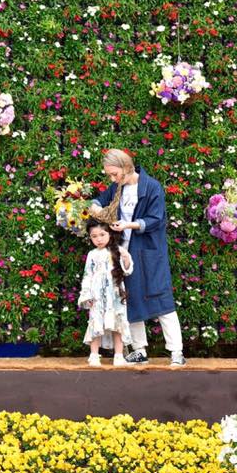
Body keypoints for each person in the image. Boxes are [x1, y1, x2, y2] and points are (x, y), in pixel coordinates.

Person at [89, 148, 186, 366]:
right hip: (124, 252)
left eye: (114, 174)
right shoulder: (117, 187)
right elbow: (99, 199)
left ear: (125, 168)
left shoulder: (152, 187)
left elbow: (156, 220)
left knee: (161, 298)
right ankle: (139, 350)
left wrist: (128, 224)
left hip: (149, 251)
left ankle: (177, 352)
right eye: (109, 175)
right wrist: (95, 206)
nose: (112, 179)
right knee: (129, 300)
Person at [78, 219, 133, 367]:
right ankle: (94, 355)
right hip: (97, 295)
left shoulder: (117, 250)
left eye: (102, 234)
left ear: (110, 234)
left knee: (118, 323)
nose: (99, 239)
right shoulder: (92, 254)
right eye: (94, 236)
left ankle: (119, 355)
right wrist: (86, 295)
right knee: (96, 322)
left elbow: (127, 270)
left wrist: (126, 256)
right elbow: (87, 275)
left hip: (115, 294)